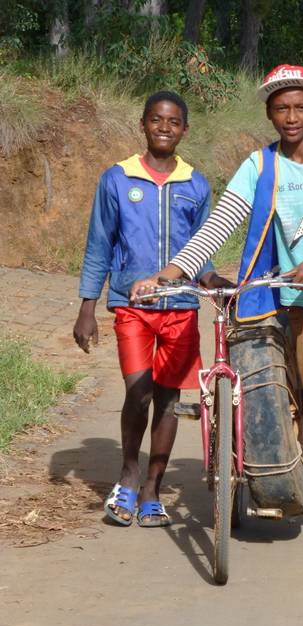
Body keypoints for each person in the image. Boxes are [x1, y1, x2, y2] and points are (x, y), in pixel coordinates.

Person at [129, 66, 303, 573]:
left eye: (300, 107)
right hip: (299, 313)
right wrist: (170, 271)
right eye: (281, 108)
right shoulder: (261, 165)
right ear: (270, 113)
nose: (291, 117)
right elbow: (221, 222)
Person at [73, 91, 231, 527]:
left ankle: (151, 491)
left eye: (174, 121)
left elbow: (204, 246)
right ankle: (127, 474)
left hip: (180, 306)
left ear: (185, 129)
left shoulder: (196, 184)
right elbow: (99, 244)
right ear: (142, 124)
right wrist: (87, 306)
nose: (165, 127)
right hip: (132, 305)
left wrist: (212, 279)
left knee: (168, 400)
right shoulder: (117, 179)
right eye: (157, 119)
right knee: (138, 391)